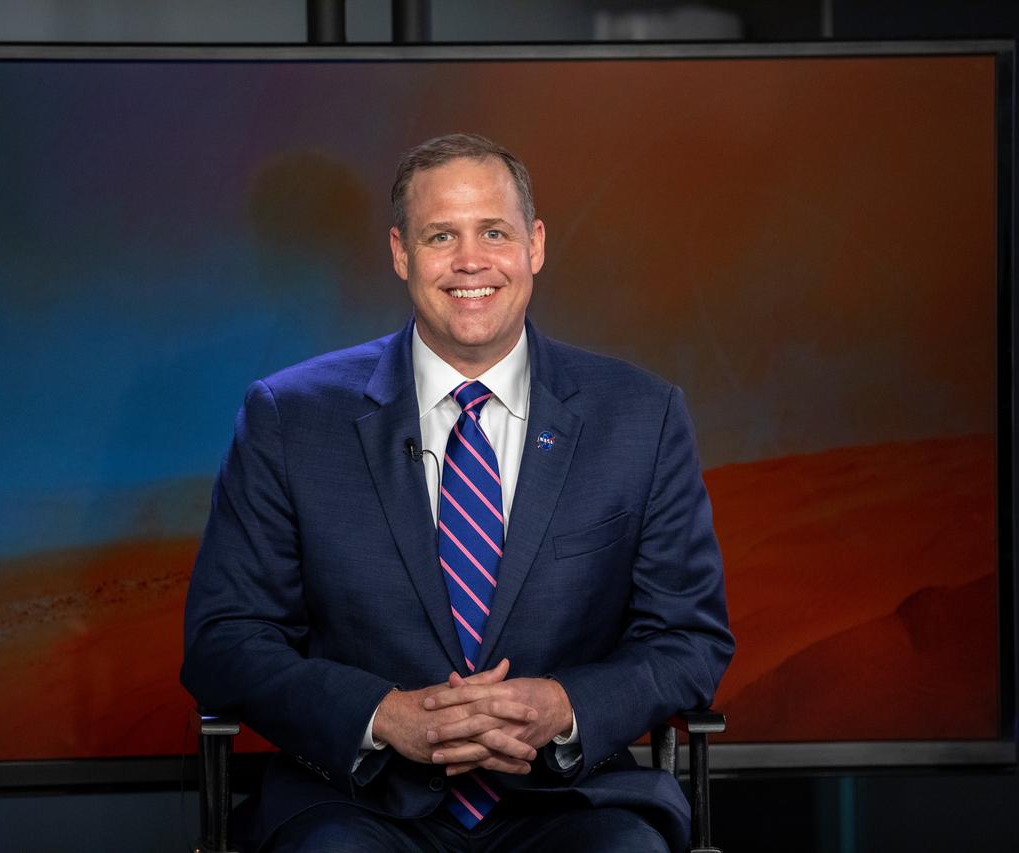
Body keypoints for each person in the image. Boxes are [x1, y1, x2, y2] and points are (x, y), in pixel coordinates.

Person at [181, 132, 733, 852]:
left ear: (533, 245)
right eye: (442, 235)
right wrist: (382, 715)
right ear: (401, 253)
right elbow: (223, 640)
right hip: (357, 802)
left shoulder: (641, 416)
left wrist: (566, 706)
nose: (471, 261)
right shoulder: (290, 418)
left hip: (571, 799)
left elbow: (689, 637)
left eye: (494, 232)